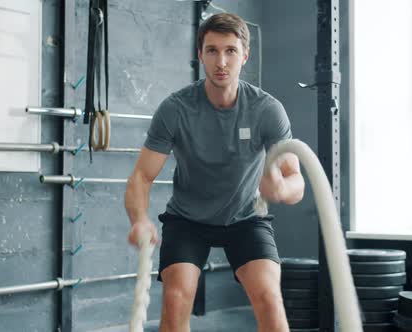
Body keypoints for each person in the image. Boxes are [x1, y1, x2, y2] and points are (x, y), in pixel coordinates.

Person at [124, 12, 305, 332]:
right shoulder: (175, 109)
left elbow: (297, 181)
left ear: (244, 55)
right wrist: (139, 219)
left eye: (230, 50)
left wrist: (281, 190)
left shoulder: (266, 110)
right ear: (200, 55)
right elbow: (142, 177)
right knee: (177, 299)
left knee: (270, 299)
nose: (221, 61)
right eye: (212, 50)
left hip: (246, 219)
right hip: (187, 221)